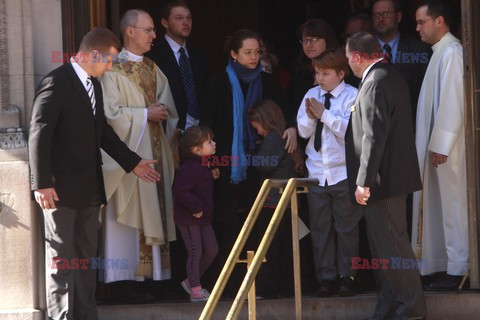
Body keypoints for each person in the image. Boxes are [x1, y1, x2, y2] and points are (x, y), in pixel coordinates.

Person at [29, 27, 161, 320]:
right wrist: (41, 184)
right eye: (109, 60)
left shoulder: (95, 85)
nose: (110, 66)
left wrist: (133, 162)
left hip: (89, 190)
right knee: (62, 262)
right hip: (59, 191)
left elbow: (103, 133)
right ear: (92, 54)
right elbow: (39, 134)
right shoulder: (56, 82)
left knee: (86, 260)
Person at [201, 29, 296, 295]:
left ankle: (264, 284)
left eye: (257, 52)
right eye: (247, 52)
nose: (254, 57)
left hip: (262, 168)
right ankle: (229, 286)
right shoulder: (218, 83)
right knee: (229, 224)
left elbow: (286, 112)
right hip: (227, 166)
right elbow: (206, 122)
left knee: (262, 226)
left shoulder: (268, 81)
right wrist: (210, 162)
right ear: (234, 54)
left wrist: (291, 128)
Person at [345, 32, 427, 319]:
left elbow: (373, 137)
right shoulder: (387, 76)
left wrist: (363, 182)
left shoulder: (376, 82)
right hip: (390, 179)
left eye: (347, 58)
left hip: (383, 182)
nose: (348, 63)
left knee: (393, 249)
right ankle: (389, 307)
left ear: (356, 56)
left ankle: (411, 310)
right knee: (386, 250)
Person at [99, 9, 178, 285]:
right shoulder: (111, 68)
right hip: (129, 157)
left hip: (154, 149)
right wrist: (145, 114)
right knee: (130, 215)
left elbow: (169, 110)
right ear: (130, 31)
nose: (154, 35)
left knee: (155, 206)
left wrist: (163, 115)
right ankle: (125, 281)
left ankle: (156, 277)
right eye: (149, 30)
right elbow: (109, 116)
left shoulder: (153, 68)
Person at [411, 0, 468, 291]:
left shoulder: (452, 53)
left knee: (452, 204)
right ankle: (439, 264)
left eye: (422, 22)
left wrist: (441, 145)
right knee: (439, 206)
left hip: (448, 151)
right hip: (437, 150)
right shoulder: (439, 53)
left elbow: (453, 101)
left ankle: (458, 267)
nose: (417, 27)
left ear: (440, 21)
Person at [297, 49, 361, 297]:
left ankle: (349, 276)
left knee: (347, 228)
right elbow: (303, 132)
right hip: (317, 172)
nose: (320, 78)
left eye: (325, 73)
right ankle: (326, 277)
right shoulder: (312, 94)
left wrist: (325, 115)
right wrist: (312, 117)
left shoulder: (352, 96)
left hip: (343, 172)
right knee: (320, 228)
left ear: (341, 73)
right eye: (317, 73)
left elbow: (350, 132)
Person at [248, 99, 305, 299]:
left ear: (266, 121)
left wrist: (249, 156)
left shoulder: (273, 138)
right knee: (287, 246)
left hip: (272, 201)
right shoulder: (287, 137)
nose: (258, 132)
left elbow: (265, 164)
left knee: (268, 245)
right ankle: (288, 286)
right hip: (289, 202)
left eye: (258, 127)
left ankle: (265, 289)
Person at [172, 125, 219, 302]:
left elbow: (197, 184)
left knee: (212, 250)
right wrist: (196, 207)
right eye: (209, 142)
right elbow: (181, 191)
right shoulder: (191, 166)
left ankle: (191, 281)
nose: (214, 144)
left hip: (202, 217)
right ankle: (196, 290)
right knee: (195, 251)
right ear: (196, 149)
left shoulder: (201, 164)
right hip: (189, 217)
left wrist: (210, 175)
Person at [146, 0, 208, 130]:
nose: (186, 22)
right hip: (168, 130)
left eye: (188, 18)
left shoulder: (199, 55)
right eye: (179, 18)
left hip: (199, 131)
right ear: (165, 23)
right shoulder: (152, 56)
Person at [372, 0, 431, 122]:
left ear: (398, 17)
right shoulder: (364, 50)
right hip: (375, 123)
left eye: (386, 14)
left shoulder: (419, 50)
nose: (381, 19)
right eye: (377, 15)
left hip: (410, 123)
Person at [291, 19, 339, 119]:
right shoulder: (299, 69)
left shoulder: (340, 67)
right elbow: (293, 104)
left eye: (314, 39)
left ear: (327, 40)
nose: (309, 45)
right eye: (305, 40)